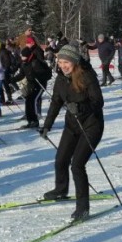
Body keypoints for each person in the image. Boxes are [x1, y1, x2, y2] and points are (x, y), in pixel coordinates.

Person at [39, 44, 104, 222]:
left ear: (74, 62)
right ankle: (61, 189)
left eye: (66, 62)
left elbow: (98, 101)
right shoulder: (60, 79)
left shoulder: (87, 75)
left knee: (77, 165)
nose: (62, 65)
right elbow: (55, 103)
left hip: (92, 125)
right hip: (72, 125)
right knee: (61, 159)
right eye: (60, 61)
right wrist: (47, 125)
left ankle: (83, 208)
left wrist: (81, 107)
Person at [11, 45, 51, 129]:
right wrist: (12, 80)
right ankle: (30, 120)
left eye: (23, 56)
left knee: (33, 100)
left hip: (40, 84)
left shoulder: (35, 63)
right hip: (31, 84)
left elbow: (45, 75)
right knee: (28, 100)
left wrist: (36, 75)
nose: (21, 57)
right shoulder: (24, 63)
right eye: (21, 56)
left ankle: (35, 120)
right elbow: (22, 74)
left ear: (28, 56)